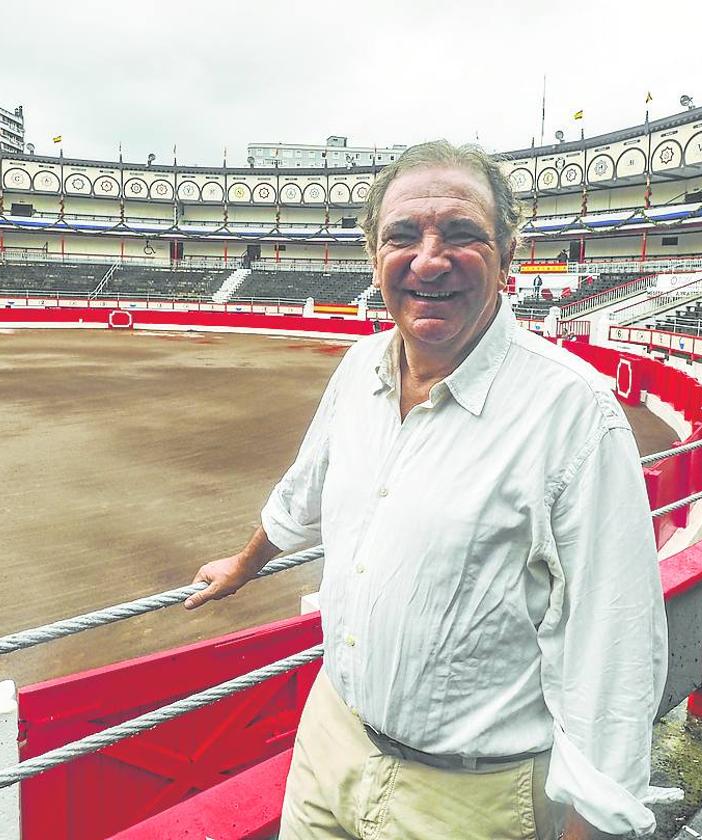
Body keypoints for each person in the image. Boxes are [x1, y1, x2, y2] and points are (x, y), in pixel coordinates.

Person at [186, 140, 666, 840]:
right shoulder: (359, 368)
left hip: (472, 799)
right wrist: (245, 562)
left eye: (462, 234)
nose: (429, 258)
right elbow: (308, 484)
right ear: (375, 258)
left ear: (507, 258)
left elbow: (613, 645)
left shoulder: (574, 415)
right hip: (330, 740)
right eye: (403, 236)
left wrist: (593, 824)